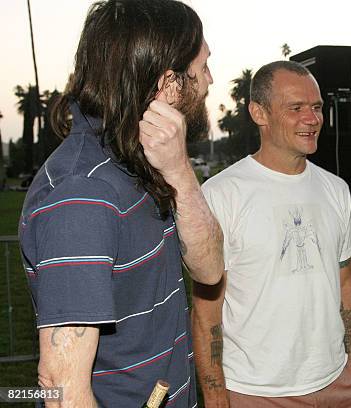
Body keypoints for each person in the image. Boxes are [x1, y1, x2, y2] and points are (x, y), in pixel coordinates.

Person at [18, 1, 224, 406]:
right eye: (203, 68)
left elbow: (210, 268)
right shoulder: (82, 197)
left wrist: (180, 170)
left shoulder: (143, 161)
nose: (210, 80)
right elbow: (62, 389)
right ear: (169, 84)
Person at [192, 60, 351, 407]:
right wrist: (215, 397)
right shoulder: (221, 194)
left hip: (339, 382)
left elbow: (346, 280)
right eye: (296, 108)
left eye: (316, 107)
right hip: (257, 392)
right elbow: (206, 308)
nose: (312, 118)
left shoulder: (336, 189)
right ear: (259, 112)